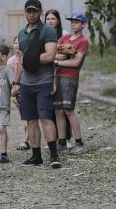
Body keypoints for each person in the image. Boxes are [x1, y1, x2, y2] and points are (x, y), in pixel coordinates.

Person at [17, 0, 62, 168]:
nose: (32, 14)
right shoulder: (21, 33)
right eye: (29, 11)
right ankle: (36, 156)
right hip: (26, 83)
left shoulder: (48, 31)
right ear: (25, 13)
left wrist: (30, 58)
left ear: (40, 12)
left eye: (35, 11)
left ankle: (54, 155)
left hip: (43, 81)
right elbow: (21, 61)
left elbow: (50, 56)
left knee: (45, 119)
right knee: (30, 121)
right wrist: (16, 82)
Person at [54, 12, 89, 154]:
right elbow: (52, 51)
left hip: (70, 78)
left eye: (76, 21)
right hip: (58, 77)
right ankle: (61, 142)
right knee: (58, 110)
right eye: (71, 21)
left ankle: (79, 143)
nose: (73, 23)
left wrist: (57, 61)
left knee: (68, 110)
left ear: (83, 24)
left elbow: (75, 62)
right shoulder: (65, 37)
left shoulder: (83, 41)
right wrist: (56, 57)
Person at [44, 9, 73, 149]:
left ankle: (66, 138)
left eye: (53, 19)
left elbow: (68, 54)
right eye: (48, 19)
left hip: (62, 74)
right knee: (50, 109)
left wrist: (54, 57)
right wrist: (55, 56)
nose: (50, 21)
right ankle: (53, 138)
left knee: (63, 108)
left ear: (58, 21)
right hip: (46, 74)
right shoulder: (41, 35)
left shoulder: (65, 35)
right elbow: (42, 54)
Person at [7, 36, 30, 151]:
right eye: (15, 43)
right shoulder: (11, 61)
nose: (17, 45)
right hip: (15, 90)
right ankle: (27, 139)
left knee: (28, 117)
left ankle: (25, 141)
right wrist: (13, 92)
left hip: (27, 88)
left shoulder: (27, 58)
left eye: (19, 43)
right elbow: (10, 78)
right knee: (25, 116)